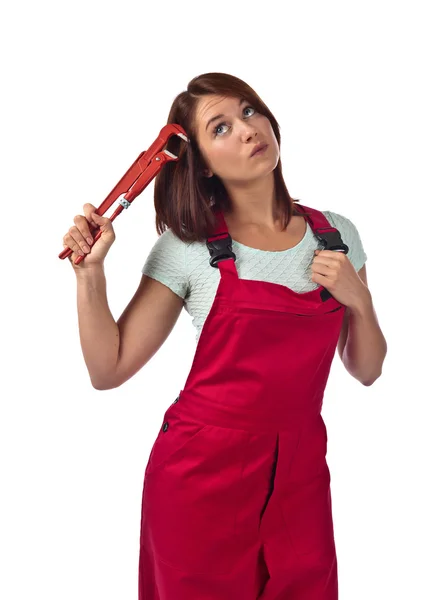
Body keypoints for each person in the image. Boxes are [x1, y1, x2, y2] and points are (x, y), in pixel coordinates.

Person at [62, 72, 387, 599]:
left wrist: (360, 299)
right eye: (221, 128)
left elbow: (367, 369)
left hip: (300, 474)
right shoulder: (188, 249)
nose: (246, 130)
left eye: (250, 112)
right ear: (202, 163)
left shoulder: (337, 234)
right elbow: (108, 369)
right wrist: (90, 275)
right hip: (200, 478)